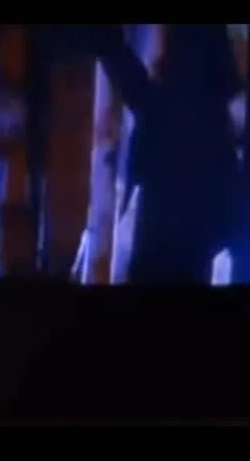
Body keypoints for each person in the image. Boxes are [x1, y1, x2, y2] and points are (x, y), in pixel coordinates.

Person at [93, 25, 243, 283]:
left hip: (159, 239)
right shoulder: (218, 120)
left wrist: (107, 44)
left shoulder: (168, 103)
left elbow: (132, 82)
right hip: (191, 244)